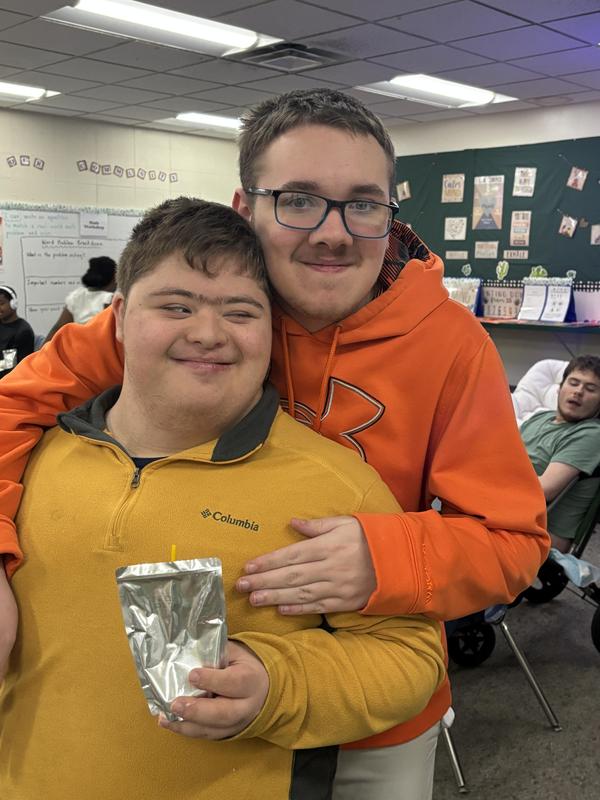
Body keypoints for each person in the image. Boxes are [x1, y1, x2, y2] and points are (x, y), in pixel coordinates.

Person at [0, 89, 548, 799]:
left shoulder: (451, 346)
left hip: (372, 712)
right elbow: (16, 408)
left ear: (389, 216)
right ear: (245, 208)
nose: (333, 231)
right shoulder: (187, 319)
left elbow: (513, 538)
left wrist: (386, 555)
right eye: (297, 199)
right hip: (197, 691)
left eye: (363, 203)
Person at [0, 197, 445, 800]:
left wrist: (275, 684)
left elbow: (411, 657)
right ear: (122, 315)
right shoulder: (31, 458)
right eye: (176, 306)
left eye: (240, 312)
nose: (207, 334)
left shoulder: (337, 485)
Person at [521, 355, 600, 553]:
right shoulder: (540, 417)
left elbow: (543, 490)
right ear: (560, 387)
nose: (578, 392)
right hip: (503, 512)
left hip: (539, 534)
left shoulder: (591, 434)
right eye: (573, 383)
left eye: (591, 389)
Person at [44, 255, 116, 341]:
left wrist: (40, 351)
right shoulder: (109, 299)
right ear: (113, 279)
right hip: (99, 347)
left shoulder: (76, 296)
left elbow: (58, 326)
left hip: (78, 346)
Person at [0, 286, 34, 377]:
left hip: (10, 378)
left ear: (13, 304)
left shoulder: (22, 331)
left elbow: (9, 365)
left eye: (1, 303)